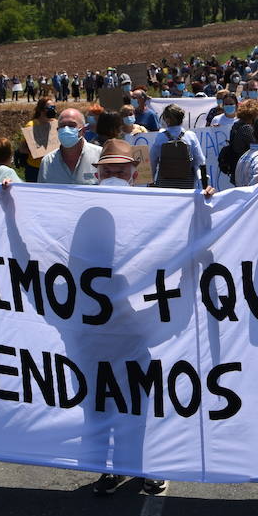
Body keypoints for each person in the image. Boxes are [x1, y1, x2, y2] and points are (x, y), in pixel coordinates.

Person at [90, 139, 167, 496]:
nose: (114, 175)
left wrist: (205, 204)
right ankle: (110, 467)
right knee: (100, 404)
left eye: (121, 170)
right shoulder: (80, 210)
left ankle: (146, 467)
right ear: (97, 173)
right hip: (94, 329)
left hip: (137, 327)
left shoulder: (154, 208)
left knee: (138, 401)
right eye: (108, 170)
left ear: (134, 175)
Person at [149, 103, 207, 189]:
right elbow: (200, 160)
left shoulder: (160, 136)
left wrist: (151, 180)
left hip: (165, 183)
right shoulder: (191, 136)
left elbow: (152, 160)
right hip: (187, 183)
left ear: (166, 119)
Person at [40, 108, 104, 184]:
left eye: (72, 125)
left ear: (83, 131)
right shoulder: (47, 162)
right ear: (57, 130)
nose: (66, 129)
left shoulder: (100, 156)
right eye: (62, 126)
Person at [15, 98, 57, 183]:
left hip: (52, 167)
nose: (52, 110)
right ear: (41, 110)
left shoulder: (56, 123)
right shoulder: (32, 125)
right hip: (35, 169)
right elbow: (25, 149)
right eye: (49, 108)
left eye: (53, 107)